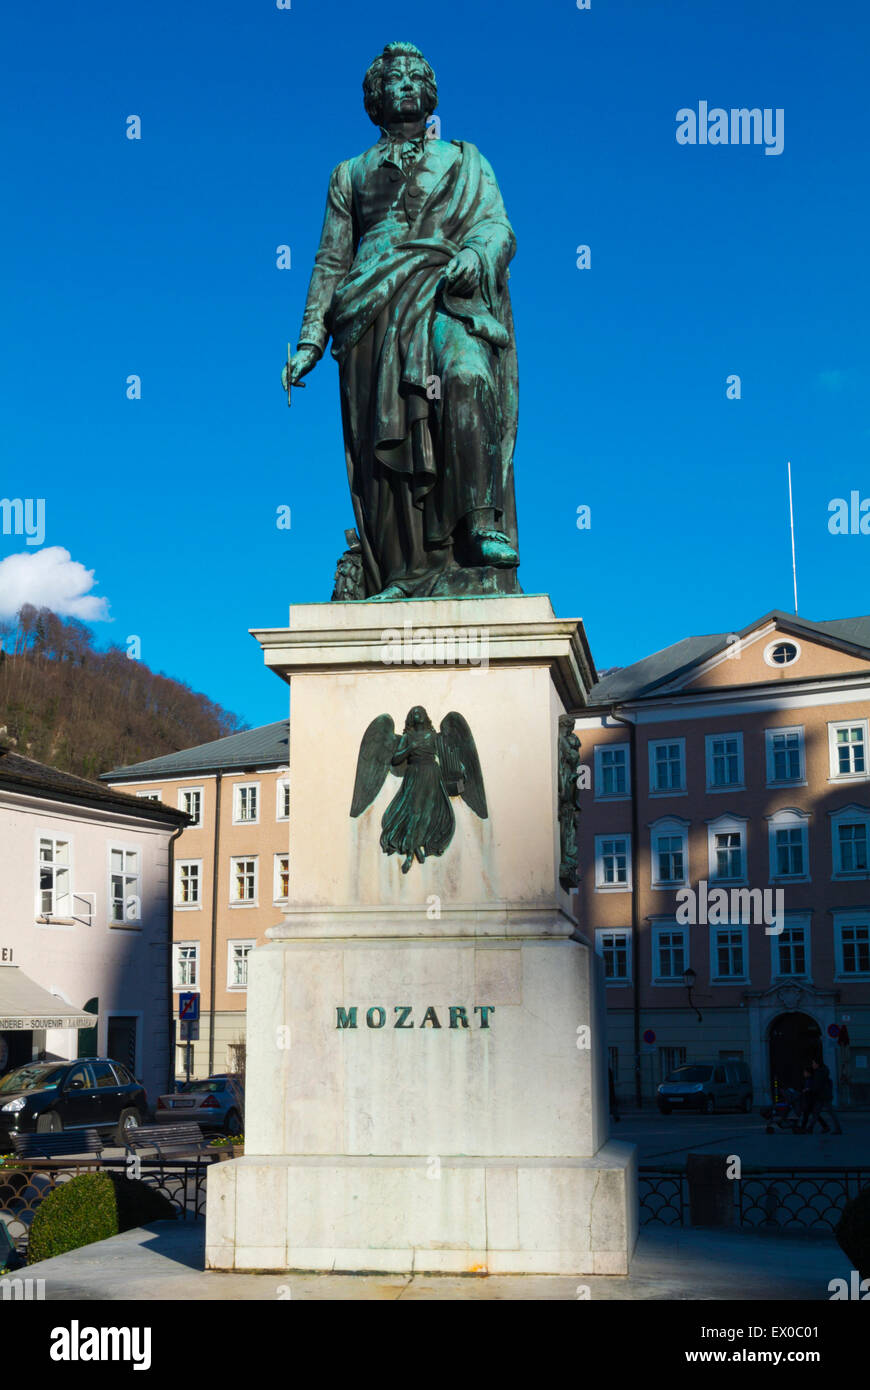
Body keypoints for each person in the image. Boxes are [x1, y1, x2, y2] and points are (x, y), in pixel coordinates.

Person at [285, 42, 521, 599]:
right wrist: (310, 341)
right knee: (383, 447)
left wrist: (478, 254)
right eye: (395, 80)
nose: (408, 86)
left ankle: (478, 521)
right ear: (376, 96)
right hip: (370, 309)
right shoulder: (349, 174)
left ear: (431, 92)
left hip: (446, 290)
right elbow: (331, 260)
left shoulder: (466, 161)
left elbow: (498, 228)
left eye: (417, 77)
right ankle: (403, 571)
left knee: (466, 376)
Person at [804, 1057, 843, 1135]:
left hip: (823, 1096)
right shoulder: (822, 1071)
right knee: (816, 1113)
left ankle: (838, 1129)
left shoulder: (819, 1073)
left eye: (813, 1063)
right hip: (823, 1095)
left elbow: (817, 1085)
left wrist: (809, 1089)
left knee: (829, 1113)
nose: (812, 1065)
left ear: (817, 1064)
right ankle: (810, 1128)